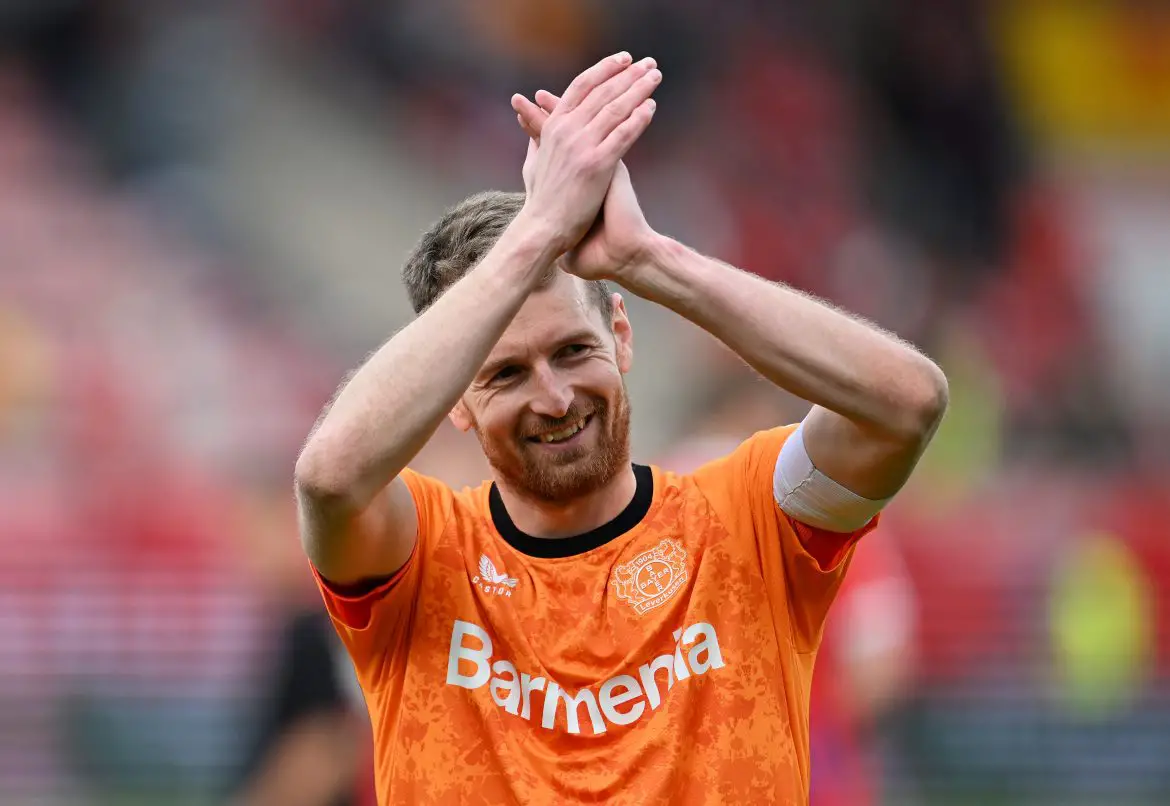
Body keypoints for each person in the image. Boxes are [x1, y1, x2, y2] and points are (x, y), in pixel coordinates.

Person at [294, 51, 948, 805]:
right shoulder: (420, 556)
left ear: (623, 336)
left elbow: (907, 403)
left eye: (574, 352)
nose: (555, 397)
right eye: (505, 374)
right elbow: (329, 476)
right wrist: (537, 234)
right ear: (457, 403)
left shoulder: (748, 521)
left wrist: (650, 258)